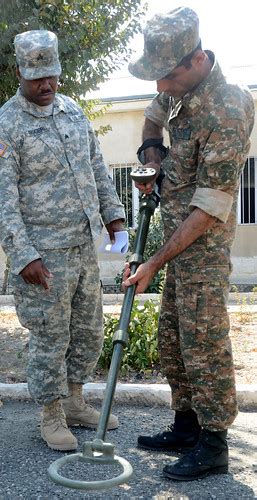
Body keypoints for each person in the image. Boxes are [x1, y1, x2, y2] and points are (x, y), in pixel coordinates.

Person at [124, 7, 254, 481]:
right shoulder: (178, 90)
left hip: (200, 244)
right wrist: (151, 154)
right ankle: (185, 426)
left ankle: (214, 442)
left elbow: (209, 207)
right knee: (173, 340)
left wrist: (153, 262)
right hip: (176, 237)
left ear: (196, 59)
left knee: (204, 341)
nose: (160, 86)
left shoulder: (229, 107)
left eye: (167, 76)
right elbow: (151, 117)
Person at [0, 30, 126, 451]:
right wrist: (24, 256)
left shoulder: (72, 113)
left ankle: (76, 401)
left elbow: (97, 168)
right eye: (37, 77)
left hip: (82, 249)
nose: (47, 85)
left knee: (89, 331)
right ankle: (51, 415)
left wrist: (115, 217)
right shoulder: (3, 127)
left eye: (53, 76)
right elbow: (1, 201)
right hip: (42, 257)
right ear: (19, 72)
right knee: (50, 336)